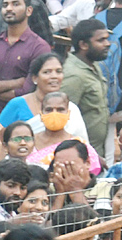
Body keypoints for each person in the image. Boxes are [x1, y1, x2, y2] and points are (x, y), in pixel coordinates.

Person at [59, 19, 110, 161]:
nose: (107, 44)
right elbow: (64, 121)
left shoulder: (92, 65)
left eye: (107, 39)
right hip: (81, 157)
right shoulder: (74, 75)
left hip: (96, 152)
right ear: (83, 45)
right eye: (101, 40)